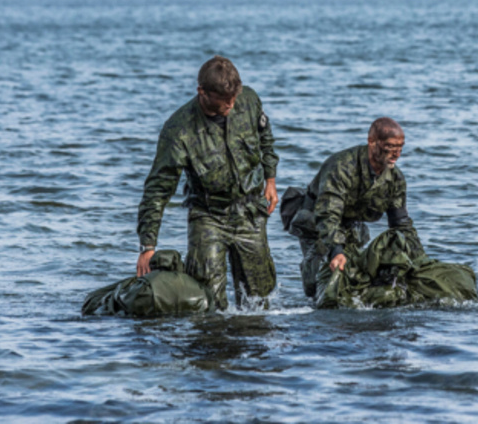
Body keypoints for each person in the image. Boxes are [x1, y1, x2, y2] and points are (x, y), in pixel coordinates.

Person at [136, 55, 280, 310]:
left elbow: (266, 138)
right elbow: (158, 189)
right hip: (208, 217)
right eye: (225, 101)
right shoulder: (179, 129)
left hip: (250, 212)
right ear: (202, 92)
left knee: (260, 302)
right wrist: (148, 245)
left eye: (234, 98)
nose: (231, 105)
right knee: (209, 304)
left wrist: (270, 179)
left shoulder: (248, 99)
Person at [285, 117, 421, 297]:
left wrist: (420, 260)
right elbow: (327, 214)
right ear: (372, 142)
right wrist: (336, 251)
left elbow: (401, 223)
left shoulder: (395, 179)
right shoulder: (341, 166)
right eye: (390, 147)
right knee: (321, 276)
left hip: (351, 224)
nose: (396, 154)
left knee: (354, 277)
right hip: (316, 220)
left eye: (400, 147)